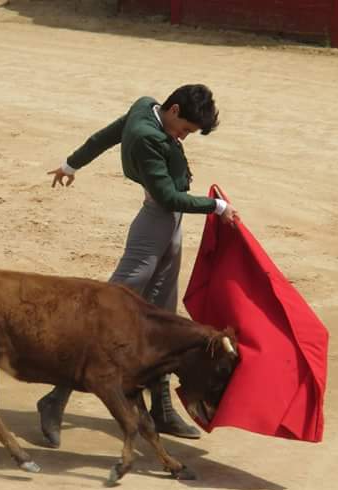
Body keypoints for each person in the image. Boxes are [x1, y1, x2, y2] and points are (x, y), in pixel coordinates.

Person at [38, 84, 239, 448]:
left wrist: (71, 163)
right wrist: (216, 207)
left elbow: (104, 137)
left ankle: (160, 407)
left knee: (163, 319)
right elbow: (166, 196)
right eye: (185, 130)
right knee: (104, 315)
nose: (184, 138)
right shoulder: (148, 136)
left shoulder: (146, 107)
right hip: (154, 227)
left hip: (169, 227)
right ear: (174, 110)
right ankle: (55, 398)